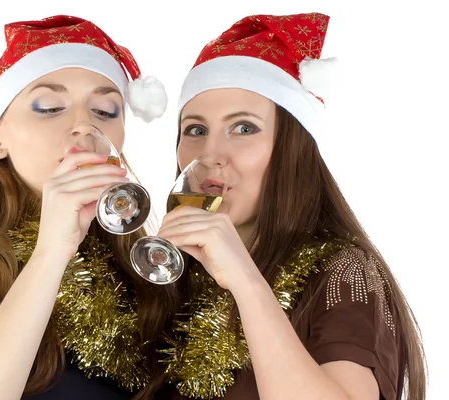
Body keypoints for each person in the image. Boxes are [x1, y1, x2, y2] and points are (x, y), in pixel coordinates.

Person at [0, 15, 173, 400]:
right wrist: (51, 252)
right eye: (49, 106)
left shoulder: (136, 268)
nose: (83, 126)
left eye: (106, 111)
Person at [154, 12, 427, 400]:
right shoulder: (175, 282)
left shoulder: (343, 272)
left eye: (244, 128)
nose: (211, 153)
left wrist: (247, 282)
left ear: (292, 148)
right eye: (195, 130)